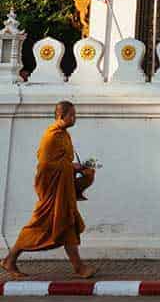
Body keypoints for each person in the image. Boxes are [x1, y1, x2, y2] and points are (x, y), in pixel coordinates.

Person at [1, 101, 95, 279]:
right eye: (72, 115)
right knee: (37, 226)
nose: (74, 118)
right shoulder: (51, 136)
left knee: (67, 222)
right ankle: (10, 259)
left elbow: (62, 161)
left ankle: (79, 267)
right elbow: (45, 165)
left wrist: (79, 169)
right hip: (51, 192)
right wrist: (71, 168)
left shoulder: (64, 135)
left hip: (62, 191)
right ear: (61, 116)